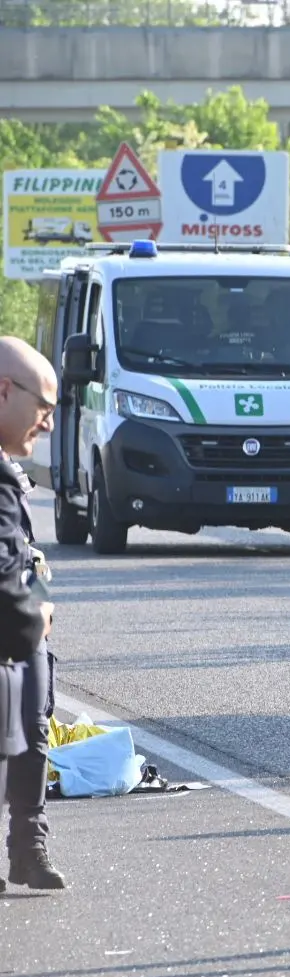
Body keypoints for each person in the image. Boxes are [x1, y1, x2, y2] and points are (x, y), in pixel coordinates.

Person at [0, 338, 56, 896]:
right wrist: (31, 617)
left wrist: (41, 598)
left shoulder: (11, 472)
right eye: (43, 410)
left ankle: (28, 848)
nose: (45, 425)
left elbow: (26, 553)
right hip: (9, 628)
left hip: (21, 625)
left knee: (32, 731)